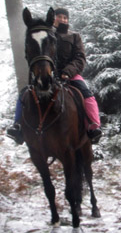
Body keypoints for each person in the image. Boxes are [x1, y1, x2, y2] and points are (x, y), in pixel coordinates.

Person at [7, 8, 102, 145]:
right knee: (24, 94)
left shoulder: (74, 36)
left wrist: (67, 72)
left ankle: (93, 126)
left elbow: (80, 58)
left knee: (87, 95)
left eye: (65, 17)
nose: (63, 19)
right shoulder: (46, 34)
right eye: (60, 17)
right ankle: (17, 127)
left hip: (70, 76)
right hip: (47, 74)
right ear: (54, 18)